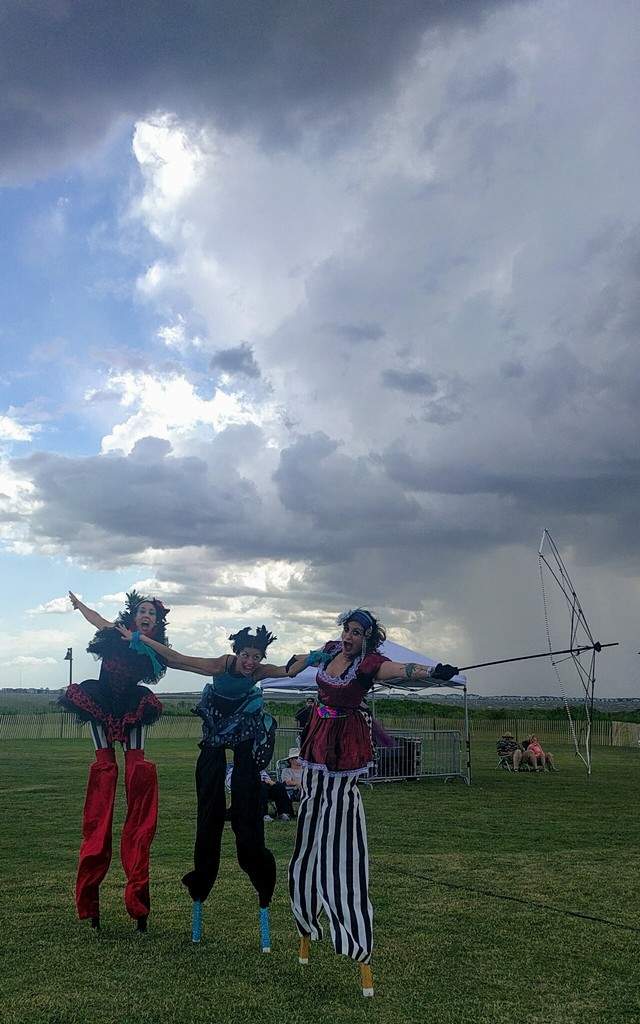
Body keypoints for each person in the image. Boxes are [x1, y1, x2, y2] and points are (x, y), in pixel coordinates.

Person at [286, 608, 460, 996]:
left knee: (338, 837)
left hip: (343, 745)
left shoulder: (368, 663)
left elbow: (398, 670)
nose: (348, 637)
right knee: (308, 831)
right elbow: (300, 663)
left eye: (356, 632)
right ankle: (306, 919)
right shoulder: (330, 650)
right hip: (317, 741)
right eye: (347, 630)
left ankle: (351, 933)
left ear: (367, 638)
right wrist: (300, 660)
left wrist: (432, 671)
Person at [117, 622, 291, 950]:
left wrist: (320, 656)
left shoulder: (259, 672)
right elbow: (178, 659)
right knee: (208, 815)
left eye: (256, 657)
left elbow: (289, 669)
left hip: (245, 734)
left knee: (248, 820)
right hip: (214, 735)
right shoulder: (220, 665)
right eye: (246, 655)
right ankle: (201, 885)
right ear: (236, 652)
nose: (250, 662)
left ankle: (262, 885)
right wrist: (141, 639)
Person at [59, 590, 169, 931]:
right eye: (142, 610)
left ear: (156, 622)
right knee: (104, 777)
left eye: (152, 613)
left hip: (133, 704)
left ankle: (139, 903)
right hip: (101, 701)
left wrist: (141, 642)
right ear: (133, 615)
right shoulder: (114, 632)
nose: (146, 615)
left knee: (138, 777)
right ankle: (90, 903)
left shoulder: (152, 647)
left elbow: (167, 660)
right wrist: (80, 605)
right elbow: (97, 619)